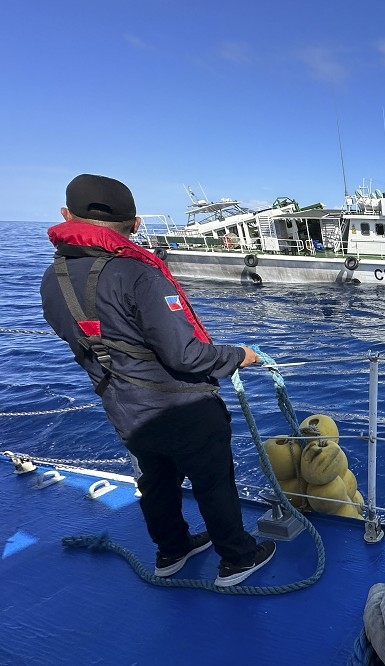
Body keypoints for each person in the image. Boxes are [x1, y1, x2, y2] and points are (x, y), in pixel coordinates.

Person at [40, 174, 275, 587]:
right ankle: (237, 558)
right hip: (183, 407)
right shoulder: (138, 274)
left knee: (156, 480)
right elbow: (187, 354)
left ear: (65, 216)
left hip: (124, 406)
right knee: (213, 480)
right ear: (134, 225)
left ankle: (172, 550)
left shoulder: (52, 280)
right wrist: (241, 356)